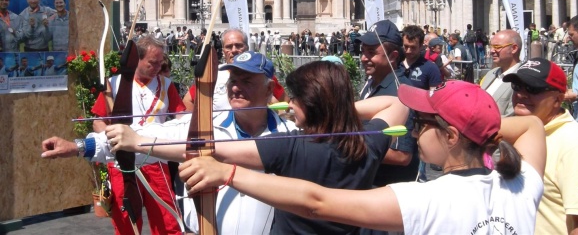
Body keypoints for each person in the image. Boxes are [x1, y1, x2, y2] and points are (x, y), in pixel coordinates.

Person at [45, 55, 408, 235]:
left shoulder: (289, 136)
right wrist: (80, 146)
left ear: (270, 87)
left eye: (247, 81)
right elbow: (145, 141)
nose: (236, 86)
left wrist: (142, 142)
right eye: (232, 78)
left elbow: (204, 151)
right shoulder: (203, 123)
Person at [179, 81, 546, 235]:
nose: (415, 130)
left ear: (450, 137)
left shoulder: (427, 199)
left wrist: (227, 173)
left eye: (422, 122)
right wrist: (482, 133)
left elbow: (316, 201)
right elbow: (532, 127)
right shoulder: (520, 183)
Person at [91, 36, 186, 235]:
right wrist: (111, 138)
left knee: (167, 219)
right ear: (138, 60)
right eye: (153, 62)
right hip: (122, 163)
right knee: (126, 220)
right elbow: (98, 121)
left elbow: (181, 118)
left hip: (156, 159)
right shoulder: (114, 85)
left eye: (161, 62)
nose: (158, 67)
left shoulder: (166, 85)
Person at [506, 58, 578, 234]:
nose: (521, 94)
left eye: (532, 89)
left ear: (558, 100)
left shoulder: (576, 145)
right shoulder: (519, 128)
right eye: (517, 87)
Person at [359, 20, 419, 199]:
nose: (363, 58)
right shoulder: (372, 81)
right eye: (362, 51)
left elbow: (402, 155)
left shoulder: (401, 93)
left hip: (389, 194)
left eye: (371, 53)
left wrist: (347, 146)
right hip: (370, 186)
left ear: (392, 56)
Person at [183, 28, 249, 112]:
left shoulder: (261, 74)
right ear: (223, 51)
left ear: (247, 48)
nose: (234, 50)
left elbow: (271, 100)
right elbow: (188, 100)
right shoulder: (212, 73)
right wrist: (195, 123)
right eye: (229, 47)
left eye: (239, 46)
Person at [480, 29, 523, 116]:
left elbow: (512, 117)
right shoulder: (490, 74)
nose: (492, 51)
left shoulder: (522, 79)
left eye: (497, 47)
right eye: (491, 46)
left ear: (514, 49)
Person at [401, 25, 441, 90]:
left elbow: (434, 96)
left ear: (420, 46)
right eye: (406, 46)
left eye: (413, 47)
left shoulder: (431, 68)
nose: (408, 51)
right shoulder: (395, 65)